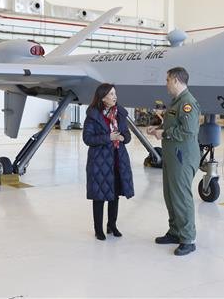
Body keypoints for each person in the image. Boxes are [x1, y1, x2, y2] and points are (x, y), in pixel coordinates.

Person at [146, 67, 201, 256]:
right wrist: (158, 127)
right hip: (172, 155)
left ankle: (188, 238)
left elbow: (188, 132)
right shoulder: (176, 102)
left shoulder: (188, 103)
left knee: (181, 197)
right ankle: (175, 231)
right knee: (170, 195)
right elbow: (173, 124)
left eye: (168, 80)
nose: (166, 83)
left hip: (182, 157)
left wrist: (165, 133)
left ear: (176, 80)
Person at [83, 83, 134, 240]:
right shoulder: (93, 115)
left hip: (118, 160)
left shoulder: (120, 114)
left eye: (115, 93)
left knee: (115, 196)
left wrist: (123, 137)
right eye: (111, 94)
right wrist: (108, 138)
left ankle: (112, 225)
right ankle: (99, 230)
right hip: (99, 162)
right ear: (103, 97)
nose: (115, 96)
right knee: (99, 197)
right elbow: (87, 138)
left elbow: (128, 135)